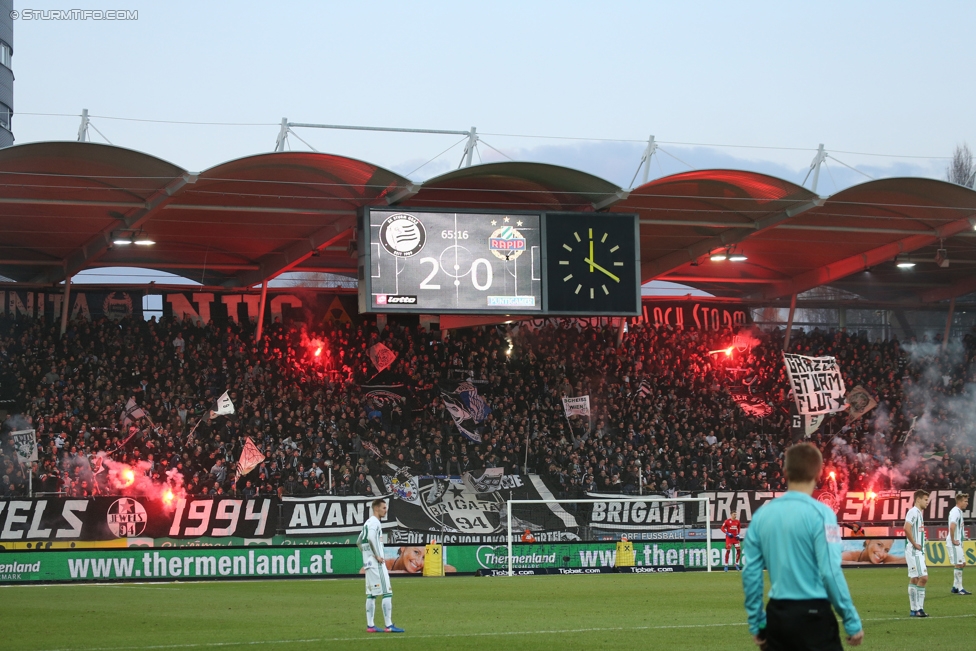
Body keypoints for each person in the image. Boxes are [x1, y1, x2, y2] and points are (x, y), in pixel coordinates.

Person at [742, 443, 863, 649]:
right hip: (814, 615)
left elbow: (751, 573)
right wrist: (850, 619)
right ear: (818, 474)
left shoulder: (762, 515)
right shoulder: (822, 514)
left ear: (785, 472)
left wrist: (757, 624)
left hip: (777, 616)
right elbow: (830, 572)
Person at [356, 499, 404, 633]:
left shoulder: (367, 522)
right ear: (376, 508)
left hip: (368, 564)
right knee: (387, 592)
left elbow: (359, 541)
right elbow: (371, 538)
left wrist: (366, 555)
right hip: (377, 564)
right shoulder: (375, 523)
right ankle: (388, 625)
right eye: (383, 507)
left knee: (371, 594)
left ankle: (370, 626)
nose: (386, 510)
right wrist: (376, 555)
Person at [905, 489, 930, 617]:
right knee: (923, 577)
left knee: (915, 578)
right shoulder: (913, 512)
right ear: (918, 499)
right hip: (914, 551)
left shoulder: (919, 513)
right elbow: (906, 528)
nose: (927, 502)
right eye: (925, 499)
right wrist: (915, 543)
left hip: (917, 551)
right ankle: (919, 608)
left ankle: (914, 610)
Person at [947, 492, 970, 595]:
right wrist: (953, 539)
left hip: (957, 542)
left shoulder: (959, 512)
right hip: (954, 542)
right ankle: (960, 589)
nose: (967, 503)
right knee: (959, 564)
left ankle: (955, 587)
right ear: (960, 502)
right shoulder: (955, 512)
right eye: (965, 501)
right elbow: (952, 526)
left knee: (962, 564)